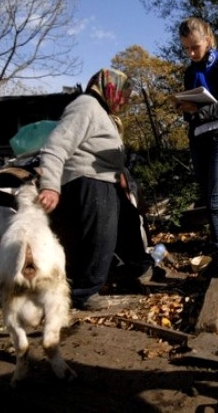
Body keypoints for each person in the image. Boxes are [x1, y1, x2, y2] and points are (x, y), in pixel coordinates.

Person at [38, 68, 155, 311]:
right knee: (102, 231)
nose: (125, 101)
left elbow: (112, 159)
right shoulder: (85, 105)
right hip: (86, 180)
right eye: (123, 94)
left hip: (105, 179)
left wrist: (127, 182)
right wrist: (49, 185)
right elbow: (55, 146)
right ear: (110, 89)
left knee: (129, 221)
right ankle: (83, 291)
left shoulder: (104, 114)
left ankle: (138, 266)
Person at [175, 16, 218, 273]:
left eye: (195, 47)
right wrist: (184, 108)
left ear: (208, 40)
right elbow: (189, 113)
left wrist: (200, 110)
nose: (191, 53)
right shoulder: (189, 71)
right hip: (198, 138)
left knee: (216, 201)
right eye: (186, 48)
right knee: (209, 199)